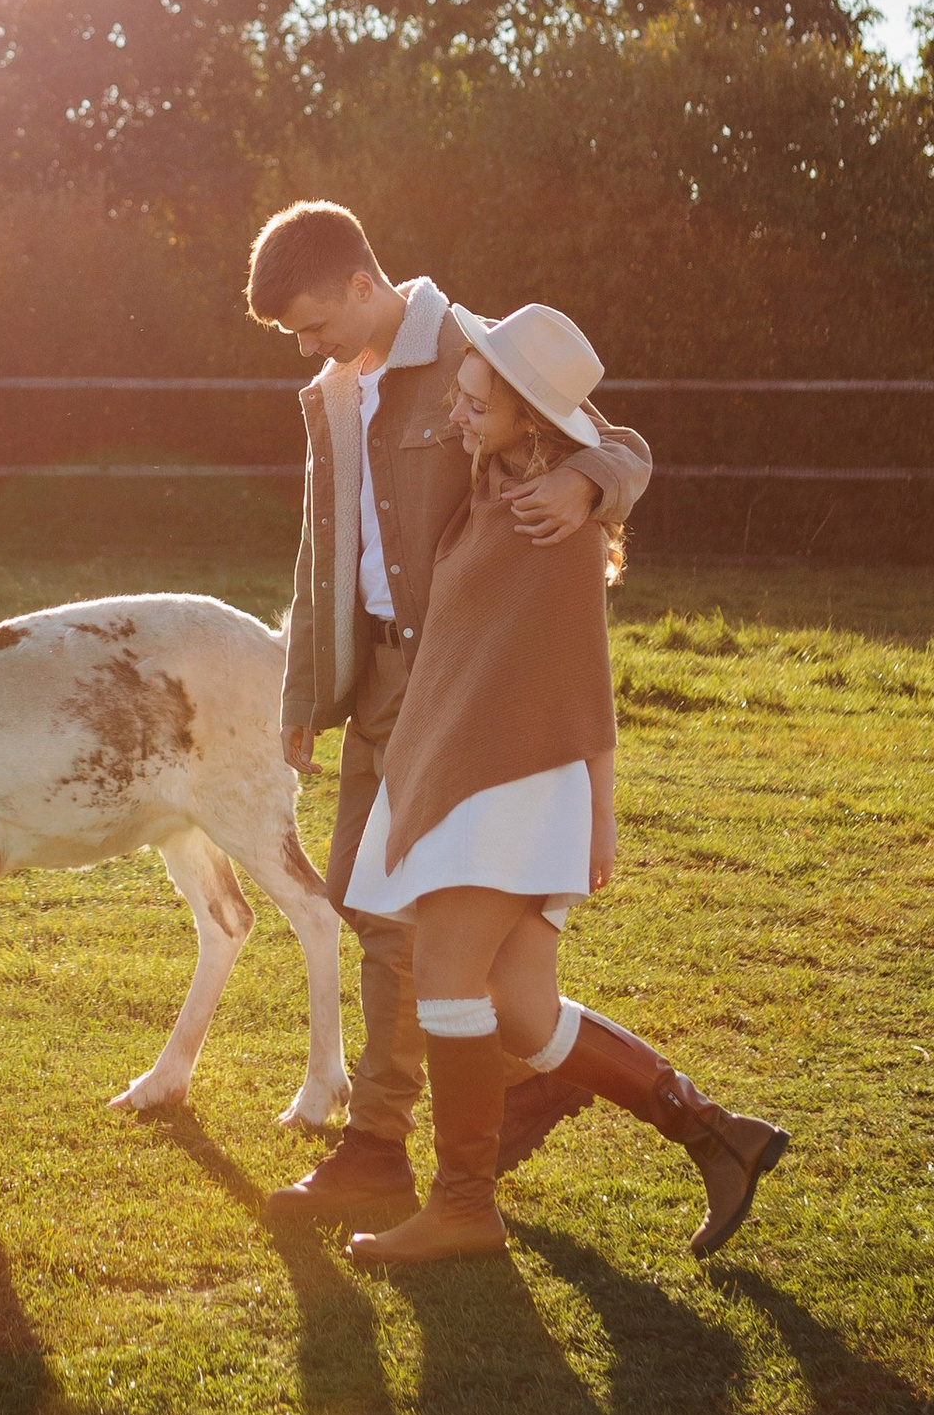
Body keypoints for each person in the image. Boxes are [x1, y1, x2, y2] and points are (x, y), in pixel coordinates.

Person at [340, 299, 791, 1265]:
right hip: (478, 771)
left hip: (509, 783)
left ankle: (463, 1206)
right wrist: (594, 468)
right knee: (526, 1011)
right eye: (460, 397)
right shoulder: (498, 473)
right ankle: (719, 1136)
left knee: (449, 977)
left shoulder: (555, 520)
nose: (457, 416)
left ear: (529, 422)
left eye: (475, 404)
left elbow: (584, 673)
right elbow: (616, 441)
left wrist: (603, 810)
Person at [247, 200, 649, 1234]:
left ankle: (379, 1147)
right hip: (378, 678)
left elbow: (619, 447)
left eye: (311, 323)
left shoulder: (470, 347)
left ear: (359, 284)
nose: (307, 347)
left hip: (459, 682)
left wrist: (585, 482)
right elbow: (322, 541)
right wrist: (305, 691)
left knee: (398, 924)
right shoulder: (337, 389)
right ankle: (525, 1079)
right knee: (363, 896)